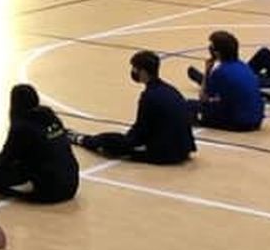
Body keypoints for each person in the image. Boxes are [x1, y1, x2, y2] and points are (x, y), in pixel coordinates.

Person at [66, 50, 195, 164]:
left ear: (143, 72)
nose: (133, 72)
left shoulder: (148, 97)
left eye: (135, 69)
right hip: (184, 148)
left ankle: (81, 139)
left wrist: (122, 143)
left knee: (110, 141)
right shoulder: (170, 89)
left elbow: (140, 131)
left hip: (165, 154)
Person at [0, 83, 79, 202]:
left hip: (50, 190)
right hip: (72, 183)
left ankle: (4, 189)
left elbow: (5, 159)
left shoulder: (21, 126)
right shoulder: (48, 114)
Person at [185, 31, 265, 132]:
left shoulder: (220, 71)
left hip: (238, 123)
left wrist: (207, 71)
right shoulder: (244, 66)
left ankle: (200, 121)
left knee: (189, 105)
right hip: (257, 119)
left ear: (217, 52)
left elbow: (203, 98)